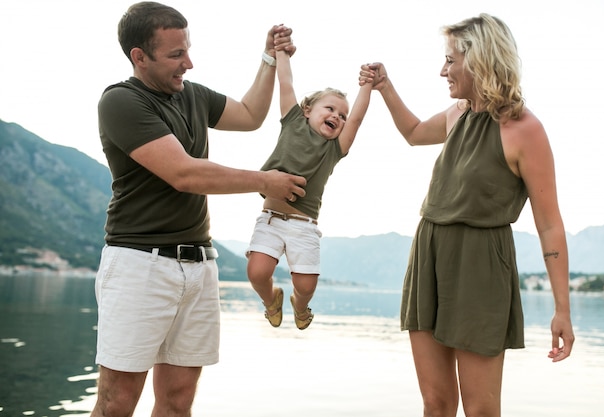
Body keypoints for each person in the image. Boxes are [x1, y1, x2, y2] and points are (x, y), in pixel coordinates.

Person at [93, 2, 306, 416]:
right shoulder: (121, 102)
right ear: (139, 57)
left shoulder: (192, 94)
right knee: (116, 403)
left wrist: (268, 58)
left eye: (187, 50)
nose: (188, 63)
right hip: (140, 265)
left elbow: (249, 116)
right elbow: (185, 174)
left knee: (177, 403)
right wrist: (266, 182)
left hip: (199, 266)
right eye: (176, 55)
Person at [359, 13, 575, 417]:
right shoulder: (458, 113)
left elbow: (549, 224)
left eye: (450, 60)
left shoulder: (525, 129)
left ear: (480, 60)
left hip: (481, 267)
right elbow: (413, 133)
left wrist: (562, 309)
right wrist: (385, 87)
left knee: (480, 409)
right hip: (430, 255)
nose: (443, 70)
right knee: (436, 404)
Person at [246, 43, 373, 330]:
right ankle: (271, 300)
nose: (337, 117)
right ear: (307, 110)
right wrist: (280, 52)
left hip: (304, 226)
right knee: (257, 272)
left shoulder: (335, 149)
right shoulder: (292, 121)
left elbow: (357, 118)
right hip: (271, 219)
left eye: (341, 115)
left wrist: (367, 85)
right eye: (330, 109)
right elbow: (286, 83)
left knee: (305, 285)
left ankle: (300, 306)